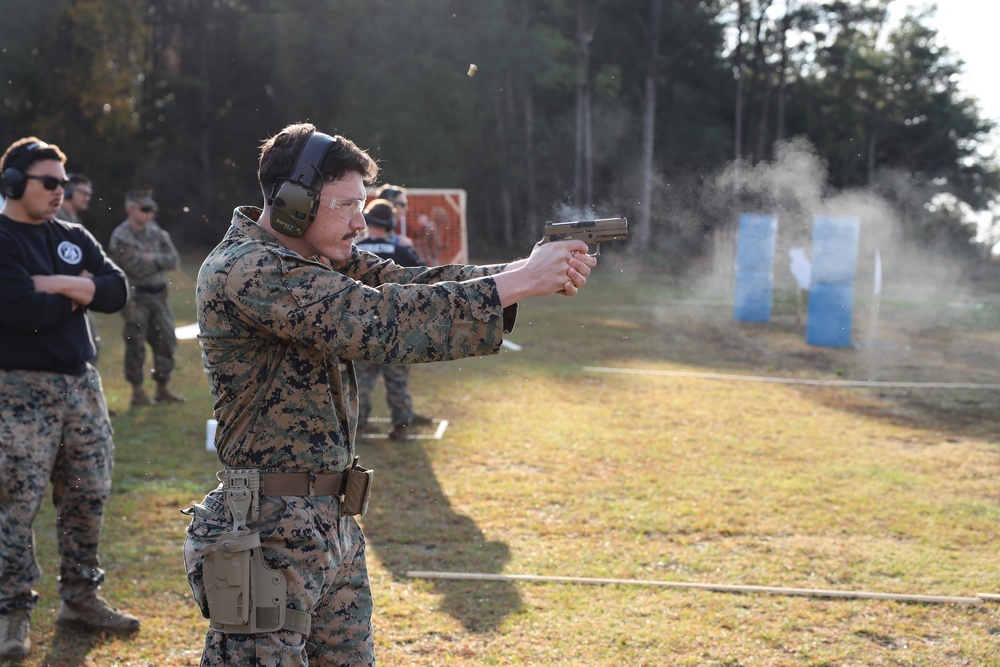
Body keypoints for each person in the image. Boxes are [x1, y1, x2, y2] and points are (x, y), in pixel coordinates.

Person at [182, 122, 595, 666]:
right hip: (268, 532)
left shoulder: (317, 258)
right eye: (347, 204)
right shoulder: (248, 268)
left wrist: (529, 268)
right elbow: (380, 321)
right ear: (293, 203)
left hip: (328, 520)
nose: (360, 221)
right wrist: (521, 281)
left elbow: (413, 286)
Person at [0, 137, 140, 661]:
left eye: (64, 181)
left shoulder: (73, 235)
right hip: (18, 390)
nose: (61, 191)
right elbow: (18, 310)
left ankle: (81, 598)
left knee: (87, 495)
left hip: (81, 387)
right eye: (49, 182)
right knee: (16, 503)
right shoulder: (2, 238)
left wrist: (55, 283)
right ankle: (12, 612)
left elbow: (116, 291)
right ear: (15, 183)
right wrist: (79, 291)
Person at [354, 198, 434, 439]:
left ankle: (358, 426)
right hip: (398, 325)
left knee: (361, 381)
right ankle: (402, 427)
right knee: (397, 379)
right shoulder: (402, 251)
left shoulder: (354, 249)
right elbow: (424, 277)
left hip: (363, 326)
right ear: (390, 224)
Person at [108, 190, 185, 407]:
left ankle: (162, 388)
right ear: (131, 209)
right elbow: (135, 267)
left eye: (153, 210)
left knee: (167, 341)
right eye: (145, 209)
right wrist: (156, 260)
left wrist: (151, 257)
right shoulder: (121, 236)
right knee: (136, 345)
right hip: (135, 298)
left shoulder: (157, 232)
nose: (150, 214)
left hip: (159, 296)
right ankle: (138, 392)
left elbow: (174, 260)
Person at [57, 173, 103, 361]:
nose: (87, 197)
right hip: (65, 296)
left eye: (89, 193)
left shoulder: (73, 221)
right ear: (67, 192)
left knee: (91, 348)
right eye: (83, 192)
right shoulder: (58, 220)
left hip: (79, 291)